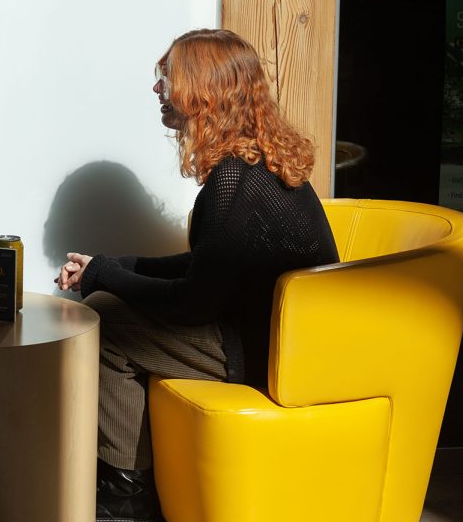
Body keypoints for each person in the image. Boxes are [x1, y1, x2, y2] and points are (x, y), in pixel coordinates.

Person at [56, 29, 339, 522]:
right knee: (107, 302)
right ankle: (132, 488)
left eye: (166, 78)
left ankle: (125, 502)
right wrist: (112, 266)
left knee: (104, 323)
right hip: (276, 339)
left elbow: (193, 304)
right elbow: (210, 267)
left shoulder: (237, 179)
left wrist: (104, 277)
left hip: (260, 352)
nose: (156, 89)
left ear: (203, 92)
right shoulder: (256, 165)